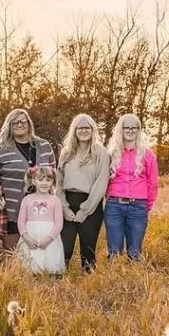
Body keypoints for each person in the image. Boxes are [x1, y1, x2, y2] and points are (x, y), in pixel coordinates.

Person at [0, 109, 56, 250]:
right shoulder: (0, 148)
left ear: (29, 123)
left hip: (40, 208)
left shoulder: (44, 146)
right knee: (13, 252)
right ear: (9, 125)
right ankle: (14, 271)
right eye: (15, 122)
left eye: (23, 121)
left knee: (38, 248)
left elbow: (53, 175)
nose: (19, 124)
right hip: (12, 207)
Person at [57, 114, 110, 273]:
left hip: (90, 204)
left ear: (93, 130)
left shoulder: (100, 152)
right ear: (74, 130)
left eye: (87, 127)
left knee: (88, 249)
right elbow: (58, 182)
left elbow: (101, 182)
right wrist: (64, 208)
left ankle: (88, 286)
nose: (83, 131)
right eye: (80, 128)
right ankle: (58, 282)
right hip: (67, 202)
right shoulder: (66, 152)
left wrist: (86, 209)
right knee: (64, 247)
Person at [104, 114, 159, 261]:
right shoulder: (111, 154)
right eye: (126, 127)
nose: (130, 130)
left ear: (139, 130)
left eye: (134, 127)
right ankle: (112, 282)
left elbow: (152, 183)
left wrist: (147, 206)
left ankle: (133, 283)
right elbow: (104, 180)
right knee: (114, 252)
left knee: (135, 252)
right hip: (114, 205)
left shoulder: (148, 155)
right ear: (120, 129)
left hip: (138, 206)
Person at [17, 166, 65, 275]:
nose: (44, 183)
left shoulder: (55, 201)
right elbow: (21, 222)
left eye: (48, 180)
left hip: (49, 241)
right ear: (34, 181)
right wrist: (27, 238)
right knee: (30, 267)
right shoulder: (27, 200)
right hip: (31, 239)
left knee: (50, 267)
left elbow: (58, 224)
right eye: (40, 179)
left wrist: (48, 239)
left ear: (53, 181)